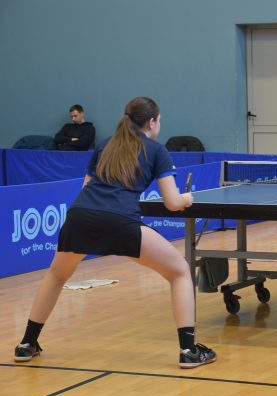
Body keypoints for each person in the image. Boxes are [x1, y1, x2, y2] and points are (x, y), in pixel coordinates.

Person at [15, 97, 217, 368]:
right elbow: (172, 202)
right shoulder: (157, 150)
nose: (159, 124)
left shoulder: (105, 144)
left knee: (56, 275)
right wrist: (187, 199)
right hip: (119, 220)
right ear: (152, 122)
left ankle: (27, 344)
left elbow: (86, 186)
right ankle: (189, 351)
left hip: (80, 216)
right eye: (159, 120)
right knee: (180, 271)